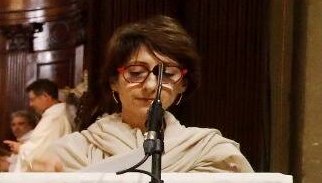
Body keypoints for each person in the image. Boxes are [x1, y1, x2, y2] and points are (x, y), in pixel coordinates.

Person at [30, 16, 249, 173]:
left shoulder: (210, 151)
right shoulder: (73, 151)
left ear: (183, 84)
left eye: (167, 74)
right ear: (114, 82)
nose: (151, 85)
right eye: (136, 73)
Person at [7, 77, 73, 172]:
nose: (31, 104)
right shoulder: (56, 113)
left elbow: (41, 152)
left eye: (32, 99)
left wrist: (21, 148)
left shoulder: (53, 117)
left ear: (45, 96)